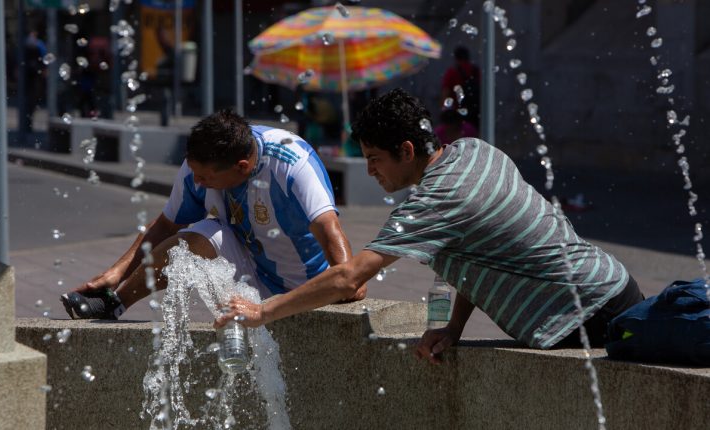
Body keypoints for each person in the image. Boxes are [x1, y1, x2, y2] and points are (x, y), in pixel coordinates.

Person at [215, 88, 644, 361]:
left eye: (374, 159)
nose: (370, 172)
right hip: (606, 289)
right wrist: (452, 327)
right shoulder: (472, 151)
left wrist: (263, 310)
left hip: (588, 313)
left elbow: (350, 278)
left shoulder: (435, 199)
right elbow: (474, 250)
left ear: (405, 149)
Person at [60, 110, 365, 319]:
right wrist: (115, 273)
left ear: (241, 167)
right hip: (253, 271)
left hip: (308, 284)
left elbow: (329, 228)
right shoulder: (200, 166)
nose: (198, 183)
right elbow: (166, 224)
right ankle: (115, 303)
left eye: (205, 177)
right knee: (196, 237)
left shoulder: (292, 162)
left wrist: (347, 277)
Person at [440, 45, 481, 131]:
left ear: (455, 58)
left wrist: (444, 111)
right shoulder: (476, 71)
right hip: (476, 112)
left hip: (457, 114)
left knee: (459, 138)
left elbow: (446, 93)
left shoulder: (452, 72)